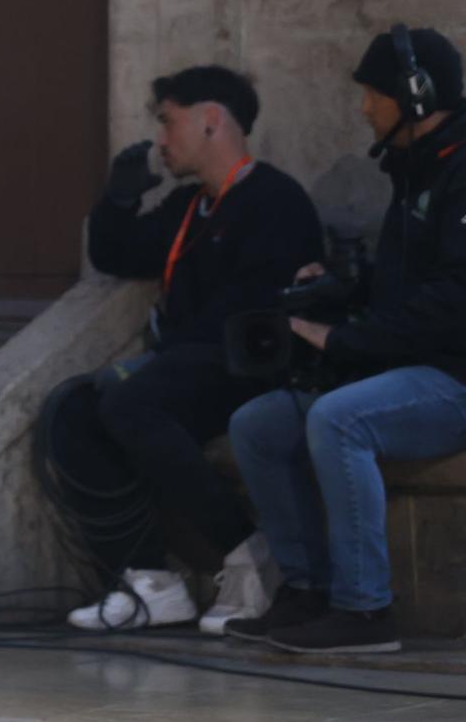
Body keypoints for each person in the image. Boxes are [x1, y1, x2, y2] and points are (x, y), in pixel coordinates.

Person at [45, 67, 323, 632]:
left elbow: (254, 315)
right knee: (71, 409)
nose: (161, 141)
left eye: (168, 123)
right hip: (186, 368)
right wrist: (118, 200)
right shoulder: (189, 206)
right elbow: (117, 254)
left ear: (211, 119)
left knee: (130, 398)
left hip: (250, 367)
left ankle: (248, 552)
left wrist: (159, 365)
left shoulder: (274, 199)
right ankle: (151, 581)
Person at [225, 27, 466, 655]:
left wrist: (343, 339)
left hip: (453, 378)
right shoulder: (415, 169)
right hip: (404, 367)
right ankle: (306, 590)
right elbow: (404, 282)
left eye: (373, 94)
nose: (364, 107)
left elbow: (454, 303)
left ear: (415, 95)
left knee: (339, 419)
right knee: (257, 425)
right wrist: (340, 288)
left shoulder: (461, 170)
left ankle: (364, 611)